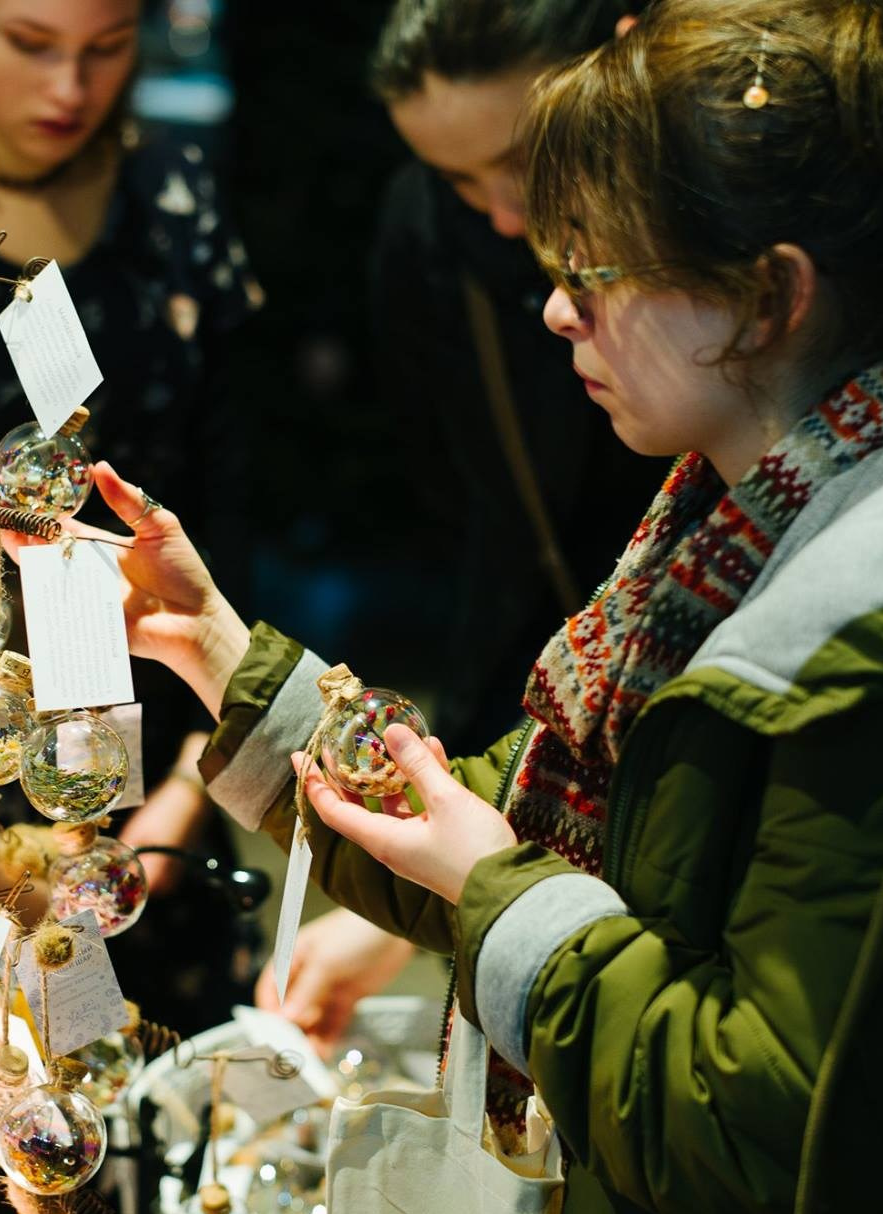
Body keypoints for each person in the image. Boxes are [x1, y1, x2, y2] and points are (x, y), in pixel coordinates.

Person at [32, 0, 883, 1214]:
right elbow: (507, 814)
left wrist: (499, 894)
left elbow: (751, 1122)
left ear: (769, 295)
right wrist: (214, 649)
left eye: (603, 271)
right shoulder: (736, 526)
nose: (557, 307)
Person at [259, 0, 665, 1051]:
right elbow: (490, 533)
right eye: (455, 181)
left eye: (524, 161)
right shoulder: (428, 239)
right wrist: (447, 868)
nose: (499, 217)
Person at [0, 0, 262, 1004]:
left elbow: (231, 515)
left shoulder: (172, 196)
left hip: (156, 793)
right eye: (31, 45)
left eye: (106, 48)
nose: (69, 91)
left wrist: (188, 791)